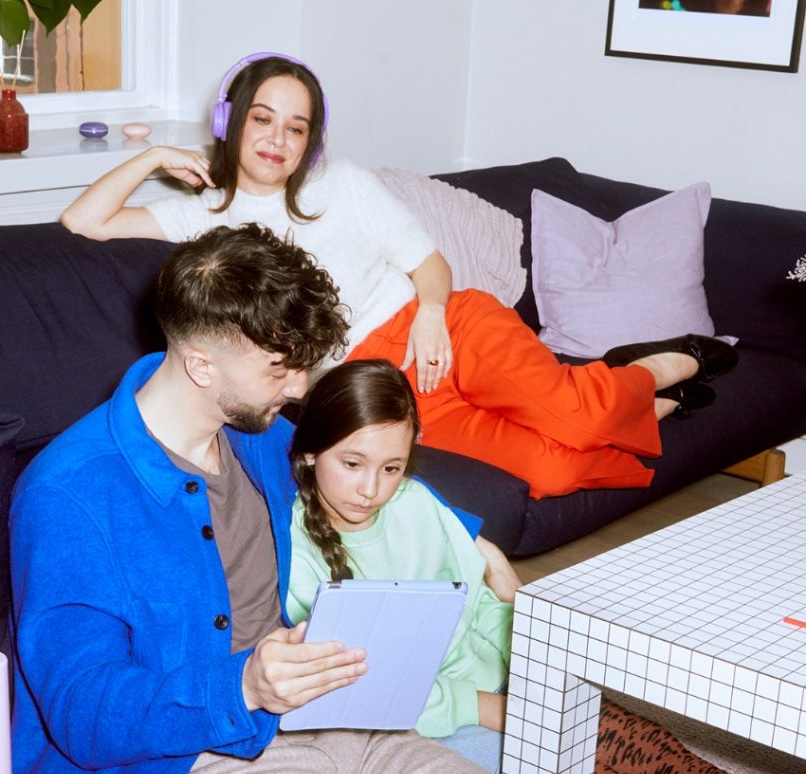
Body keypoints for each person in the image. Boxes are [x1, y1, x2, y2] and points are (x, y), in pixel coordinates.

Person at [10, 222, 806, 774]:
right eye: (282, 367)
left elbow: (368, 478)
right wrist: (242, 682)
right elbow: (82, 710)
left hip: (340, 722)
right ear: (202, 363)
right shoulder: (71, 493)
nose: (300, 386)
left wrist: (473, 536)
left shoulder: (255, 438)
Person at [59, 51, 739, 500]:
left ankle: (663, 364)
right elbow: (85, 221)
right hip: (377, 393)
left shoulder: (345, 185)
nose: (276, 139)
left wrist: (433, 314)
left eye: (295, 128)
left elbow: (429, 264)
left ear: (310, 141)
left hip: (441, 328)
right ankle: (653, 404)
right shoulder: (205, 216)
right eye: (262, 119)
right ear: (229, 121)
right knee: (553, 470)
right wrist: (154, 158)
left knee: (574, 414)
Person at [285, 357, 806, 774]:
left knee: (646, 745)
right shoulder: (298, 553)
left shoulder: (415, 502)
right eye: (352, 464)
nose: (371, 489)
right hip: (424, 727)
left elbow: (479, 604)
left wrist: (533, 662)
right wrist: (488, 708)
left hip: (494, 680)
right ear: (310, 452)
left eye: (391, 467)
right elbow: (360, 690)